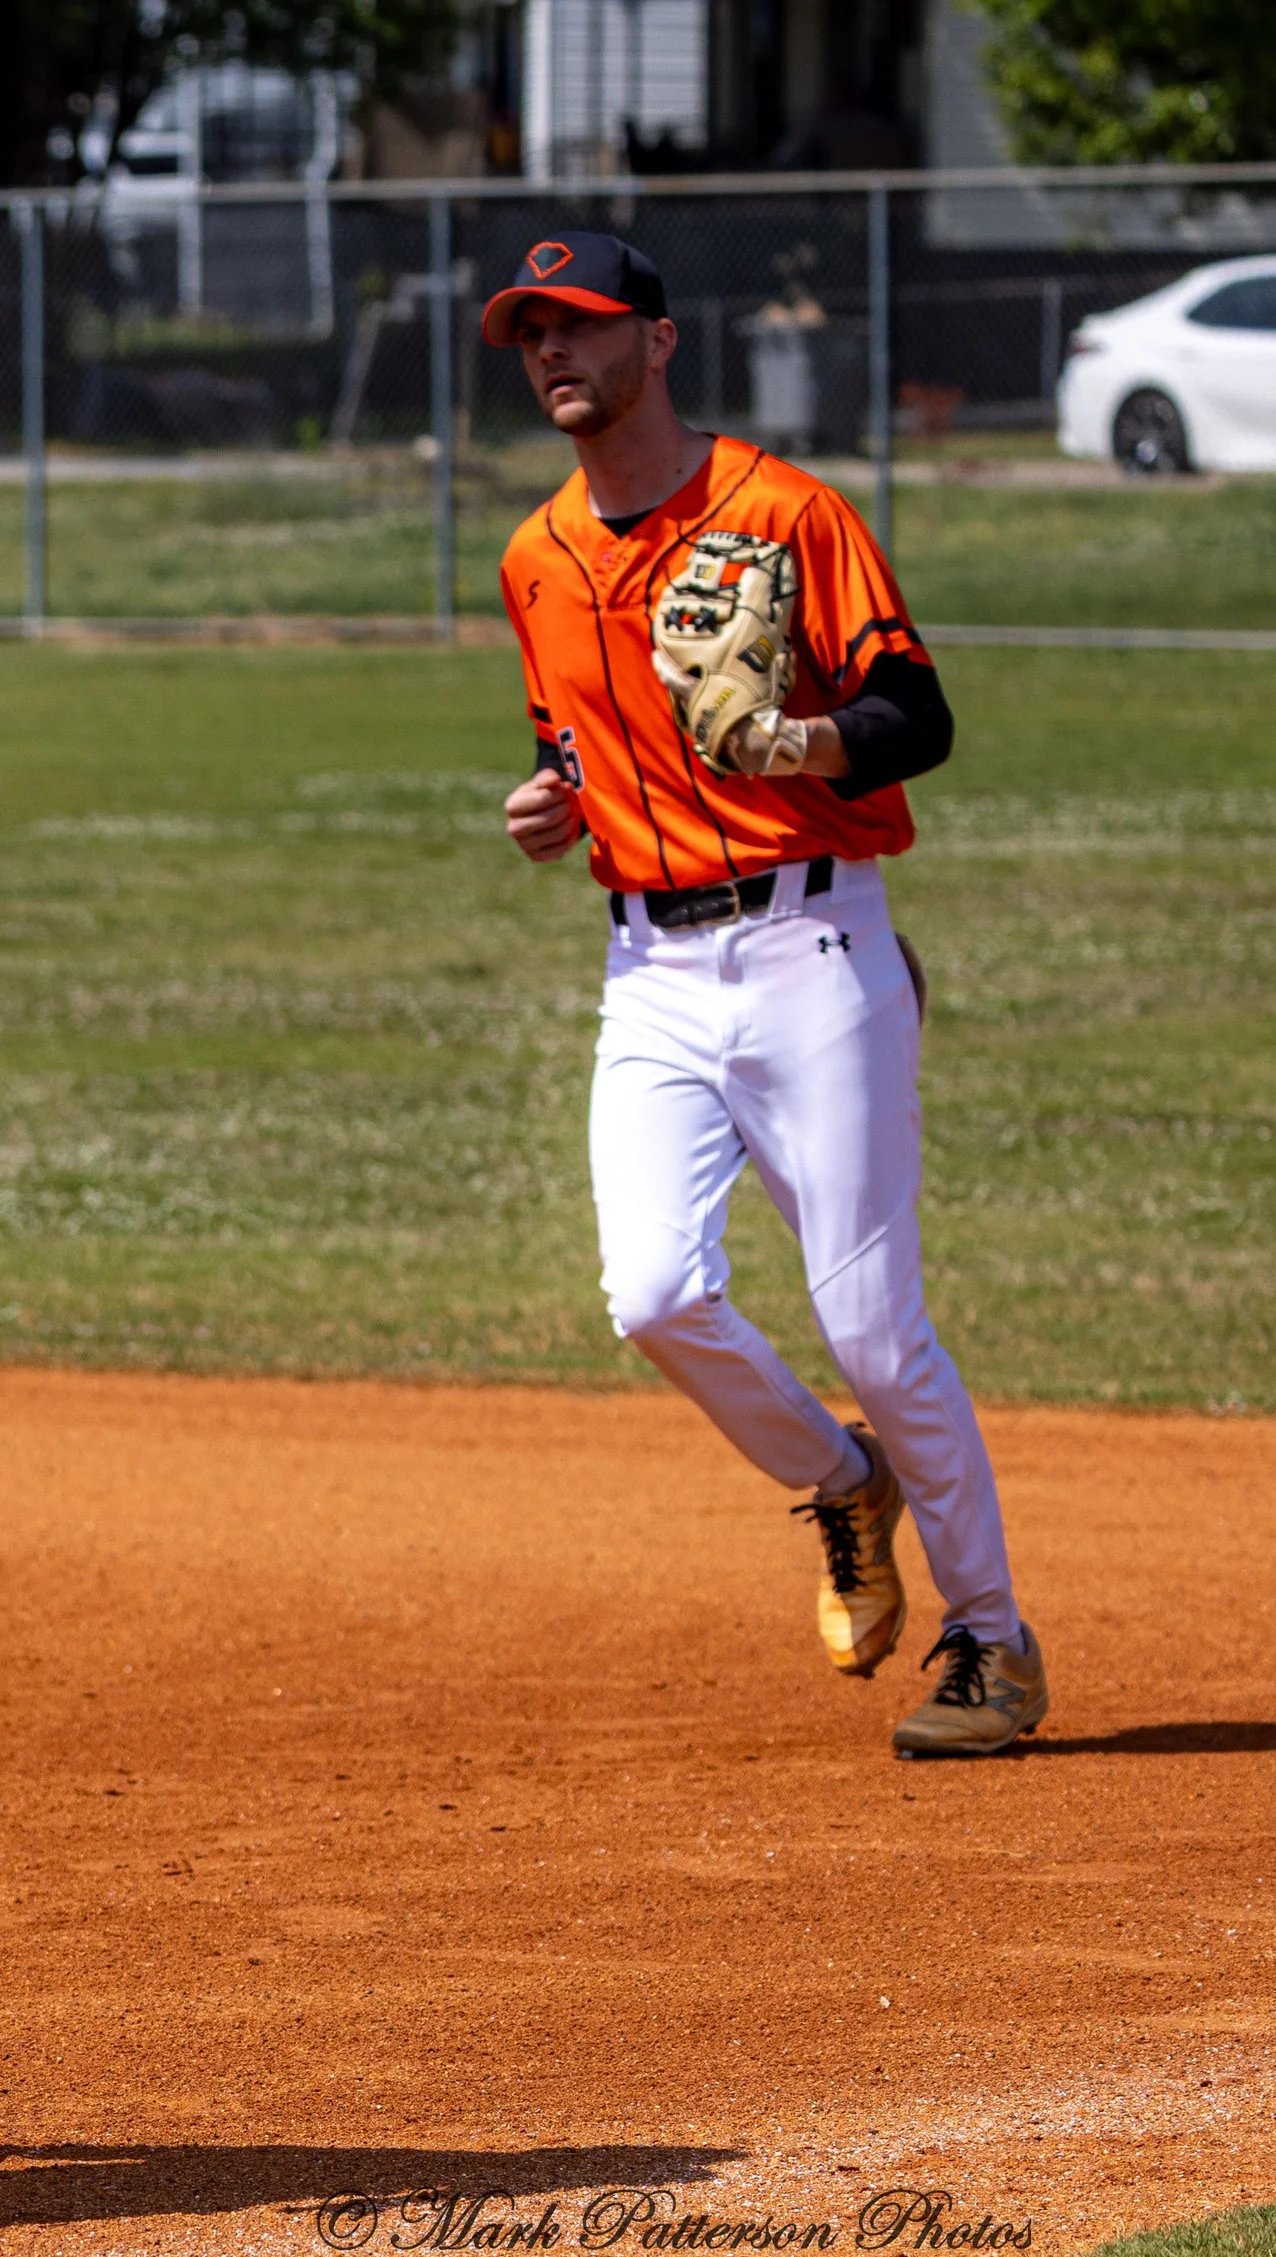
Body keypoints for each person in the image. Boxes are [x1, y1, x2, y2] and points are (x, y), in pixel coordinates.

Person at [488, 231, 1044, 1759]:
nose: (557, 357)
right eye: (534, 334)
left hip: (816, 954)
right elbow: (574, 750)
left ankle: (990, 1638)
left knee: (875, 1328)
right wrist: (552, 804)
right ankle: (846, 1480)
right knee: (654, 1292)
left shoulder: (788, 512)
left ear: (657, 343)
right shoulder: (536, 556)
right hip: (649, 971)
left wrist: (804, 746)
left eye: (586, 328)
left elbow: (915, 714)